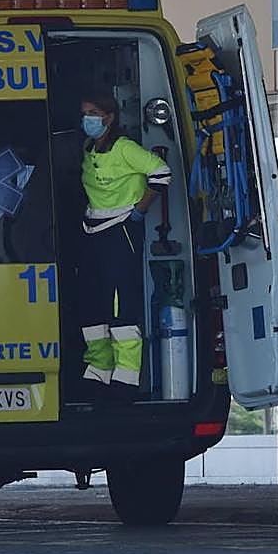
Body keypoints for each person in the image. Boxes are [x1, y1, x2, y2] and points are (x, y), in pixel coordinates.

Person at [78, 92, 171, 396]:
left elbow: (160, 172)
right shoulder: (89, 147)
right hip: (93, 230)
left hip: (121, 230)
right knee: (92, 302)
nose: (87, 118)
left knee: (121, 304)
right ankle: (99, 369)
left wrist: (140, 210)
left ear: (109, 117)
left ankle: (126, 377)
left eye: (93, 111)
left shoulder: (125, 148)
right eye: (84, 113)